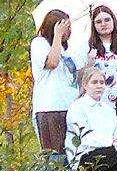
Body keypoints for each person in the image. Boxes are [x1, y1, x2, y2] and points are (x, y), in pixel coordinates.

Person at [31, 9, 82, 155]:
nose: (69, 32)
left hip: (70, 107)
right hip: (50, 108)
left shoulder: (65, 51)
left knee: (72, 153)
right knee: (56, 156)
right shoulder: (39, 43)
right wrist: (58, 36)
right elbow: (52, 63)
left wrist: (89, 64)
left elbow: (72, 77)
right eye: (66, 28)